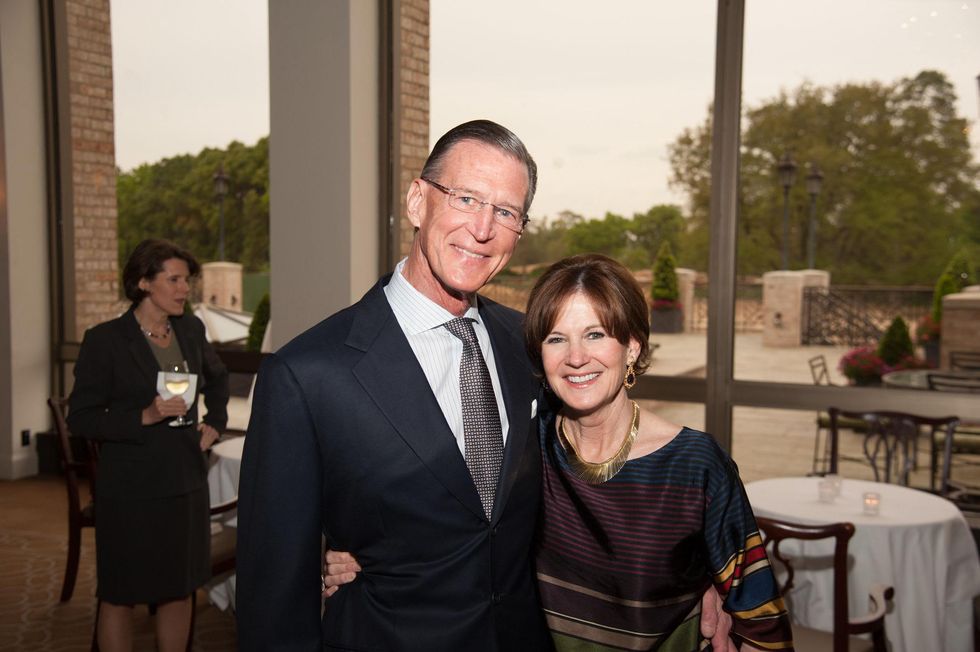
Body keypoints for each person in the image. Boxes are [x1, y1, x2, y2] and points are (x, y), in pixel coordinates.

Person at [238, 120, 733, 651]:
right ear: (417, 201)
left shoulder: (530, 344)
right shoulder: (307, 374)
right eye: (467, 198)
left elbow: (592, 470)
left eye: (506, 212)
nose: (483, 229)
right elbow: (274, 599)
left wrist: (690, 575)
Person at [524, 254, 793, 650]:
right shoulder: (526, 449)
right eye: (556, 338)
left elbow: (762, 622)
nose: (576, 357)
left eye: (595, 334)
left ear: (632, 346)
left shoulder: (695, 466)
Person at [67, 238, 229, 651]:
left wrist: (215, 421)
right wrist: (144, 416)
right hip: (130, 490)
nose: (183, 289)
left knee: (179, 587)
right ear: (143, 282)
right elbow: (81, 417)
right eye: (173, 279)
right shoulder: (105, 340)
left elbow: (218, 378)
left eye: (186, 280)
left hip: (184, 481)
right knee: (121, 592)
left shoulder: (190, 329)